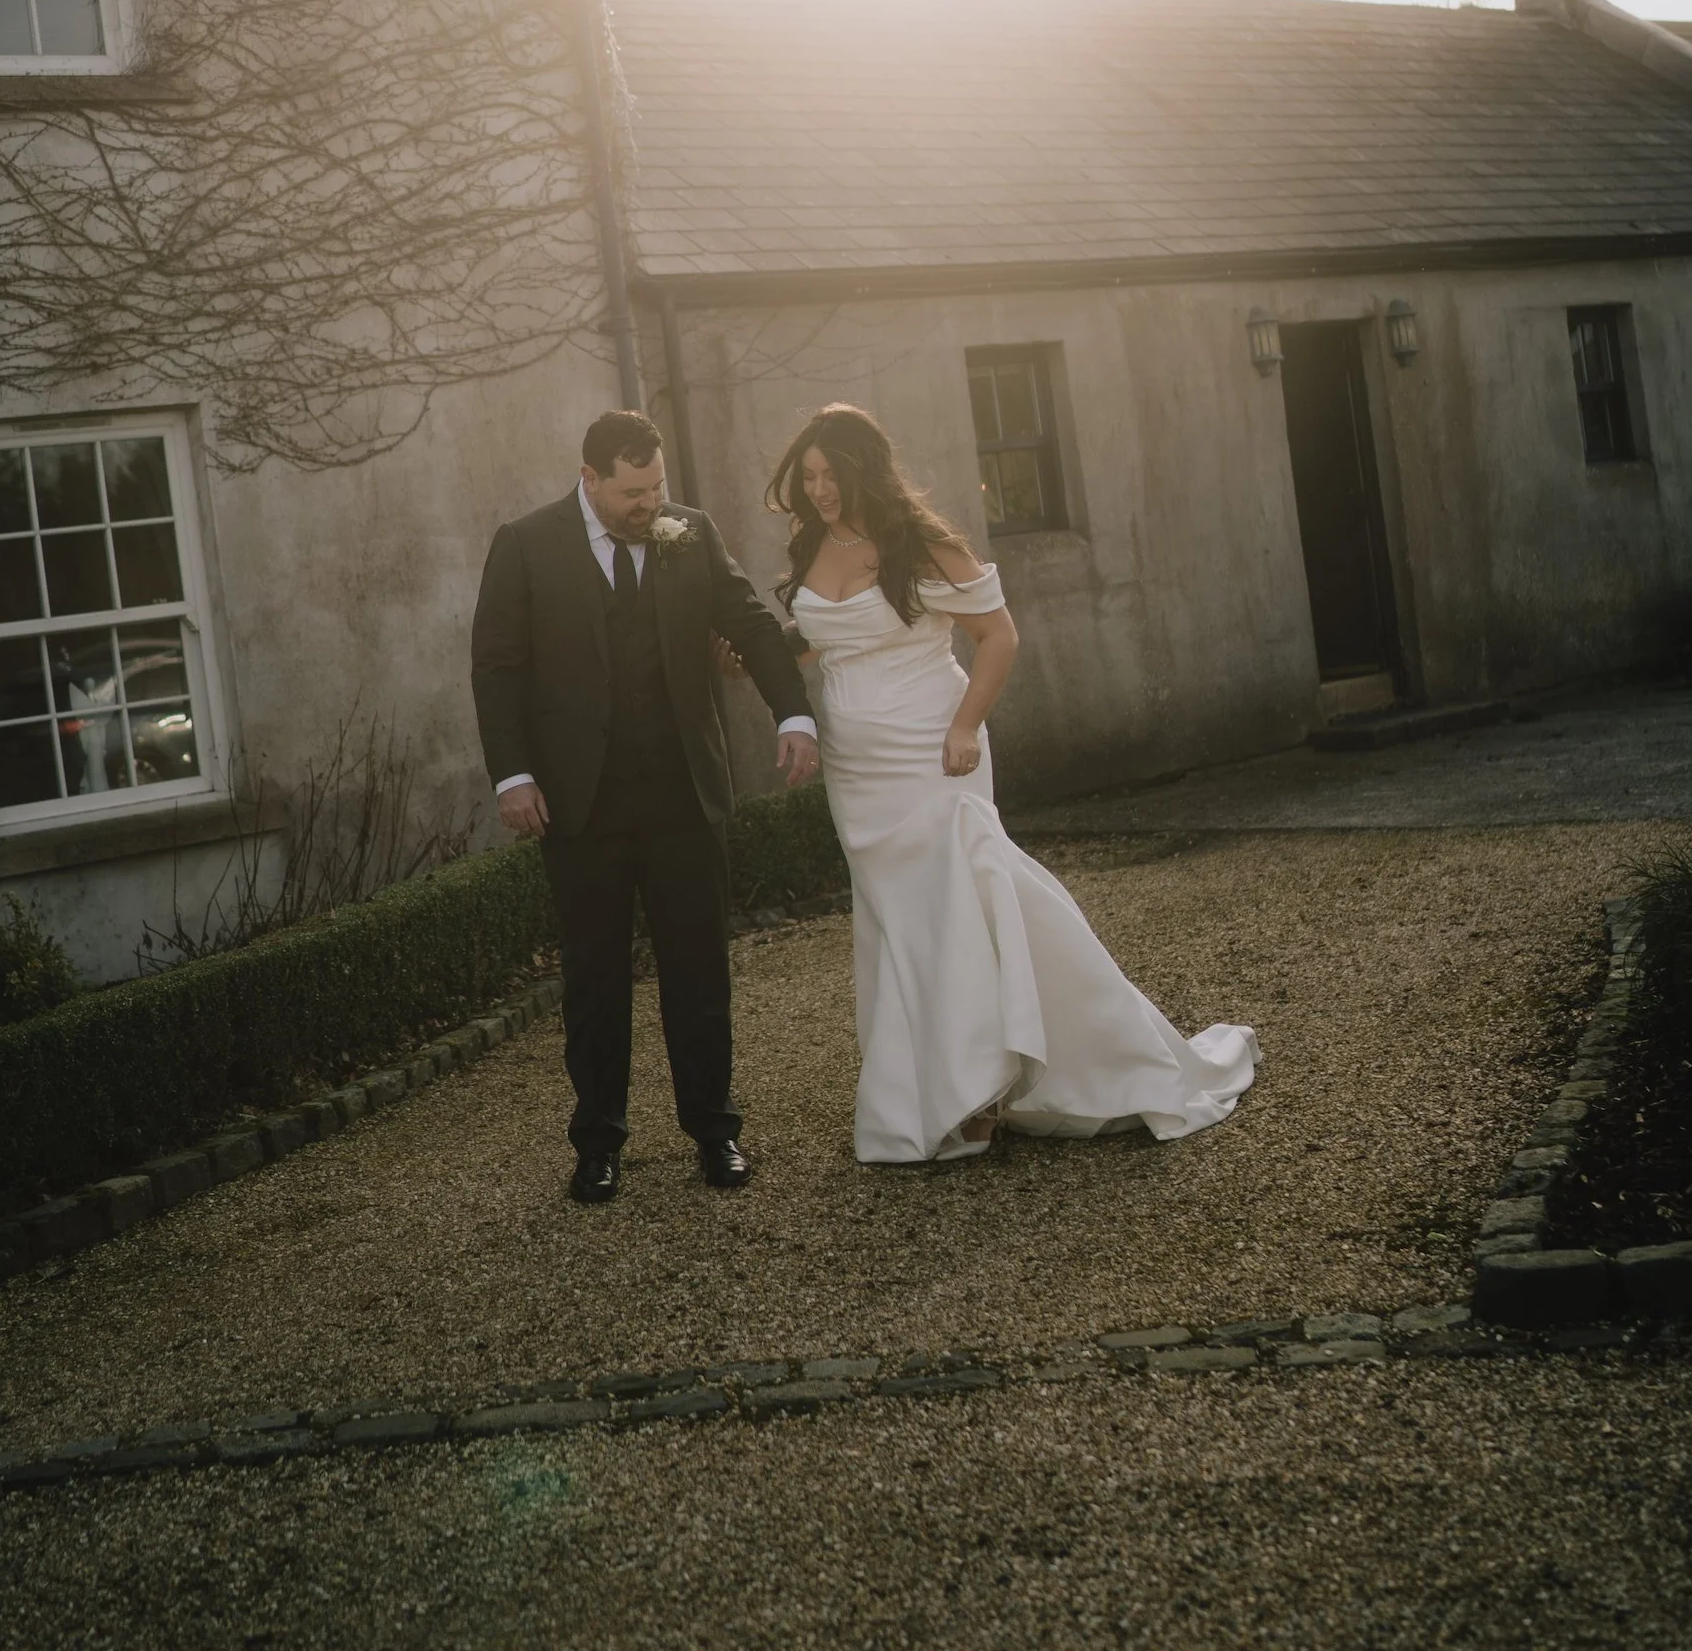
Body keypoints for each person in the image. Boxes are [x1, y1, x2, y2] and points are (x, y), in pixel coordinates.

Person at [768, 403, 1257, 1166]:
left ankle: (983, 1093)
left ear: (865, 471)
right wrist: (751, 652)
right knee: (899, 919)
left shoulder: (920, 545)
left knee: (957, 908)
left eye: (831, 474)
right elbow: (822, 636)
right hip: (857, 770)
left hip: (932, 752)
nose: (820, 489)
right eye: (809, 477)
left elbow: (998, 634)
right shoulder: (812, 545)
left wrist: (966, 725)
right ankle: (932, 1087)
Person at [471, 409, 819, 1203]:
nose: (650, 504)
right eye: (634, 492)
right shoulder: (525, 544)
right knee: (594, 981)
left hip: (683, 795)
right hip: (580, 804)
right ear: (589, 479)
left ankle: (715, 1132)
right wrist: (512, 775)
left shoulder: (690, 533)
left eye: (657, 487)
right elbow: (496, 669)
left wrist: (794, 715)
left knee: (699, 974)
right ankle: (598, 1144)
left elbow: (751, 623)